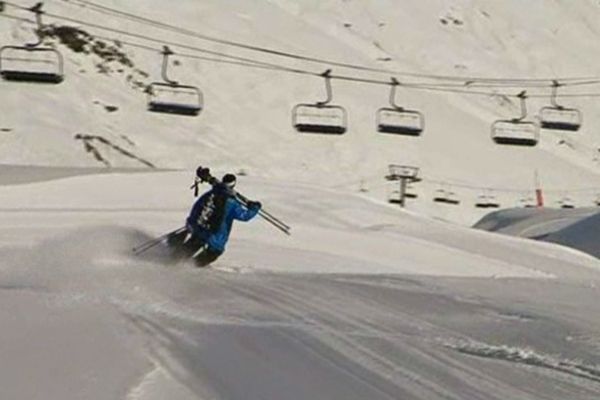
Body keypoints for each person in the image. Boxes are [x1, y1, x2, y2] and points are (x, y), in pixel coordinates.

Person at [168, 173, 261, 267]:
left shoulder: (210, 194)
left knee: (188, 249)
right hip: (216, 237)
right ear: (233, 185)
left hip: (200, 230)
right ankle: (190, 269)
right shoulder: (232, 203)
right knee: (212, 254)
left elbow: (197, 208)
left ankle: (170, 263)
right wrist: (255, 208)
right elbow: (244, 216)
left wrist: (190, 224)